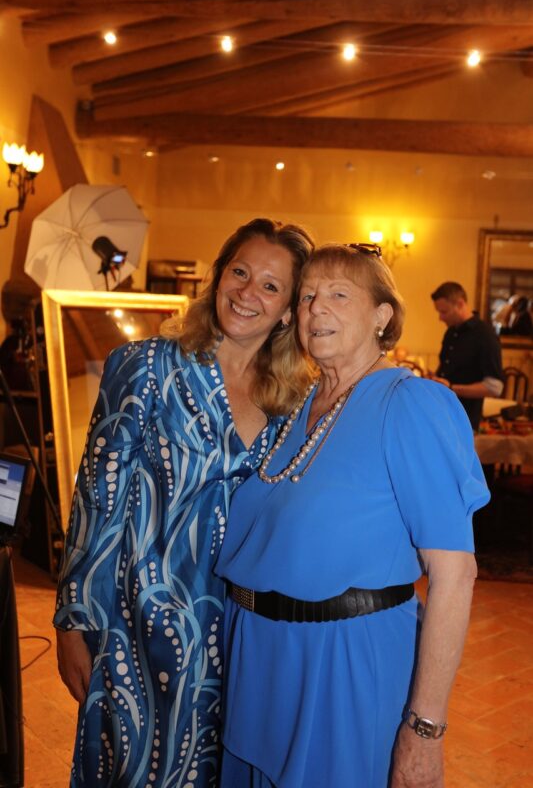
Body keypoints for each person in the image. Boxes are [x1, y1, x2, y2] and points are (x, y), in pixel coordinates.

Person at [215, 244, 490, 788]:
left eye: (339, 295)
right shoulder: (298, 406)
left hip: (340, 664)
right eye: (307, 296)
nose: (316, 308)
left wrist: (425, 729)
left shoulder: (409, 403)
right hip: (259, 662)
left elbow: (455, 575)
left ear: (382, 316)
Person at [53, 218, 314, 787]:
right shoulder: (146, 366)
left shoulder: (295, 401)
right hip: (135, 630)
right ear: (218, 276)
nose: (248, 292)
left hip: (241, 636)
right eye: (240, 272)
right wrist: (74, 619)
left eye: (271, 286)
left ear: (288, 311)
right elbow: (97, 496)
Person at [430, 281, 503, 430]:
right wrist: (435, 378)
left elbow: (495, 387)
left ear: (460, 304)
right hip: (443, 416)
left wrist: (452, 387)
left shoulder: (485, 335)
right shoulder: (451, 332)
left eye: (444, 312)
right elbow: (449, 370)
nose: (440, 318)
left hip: (465, 421)